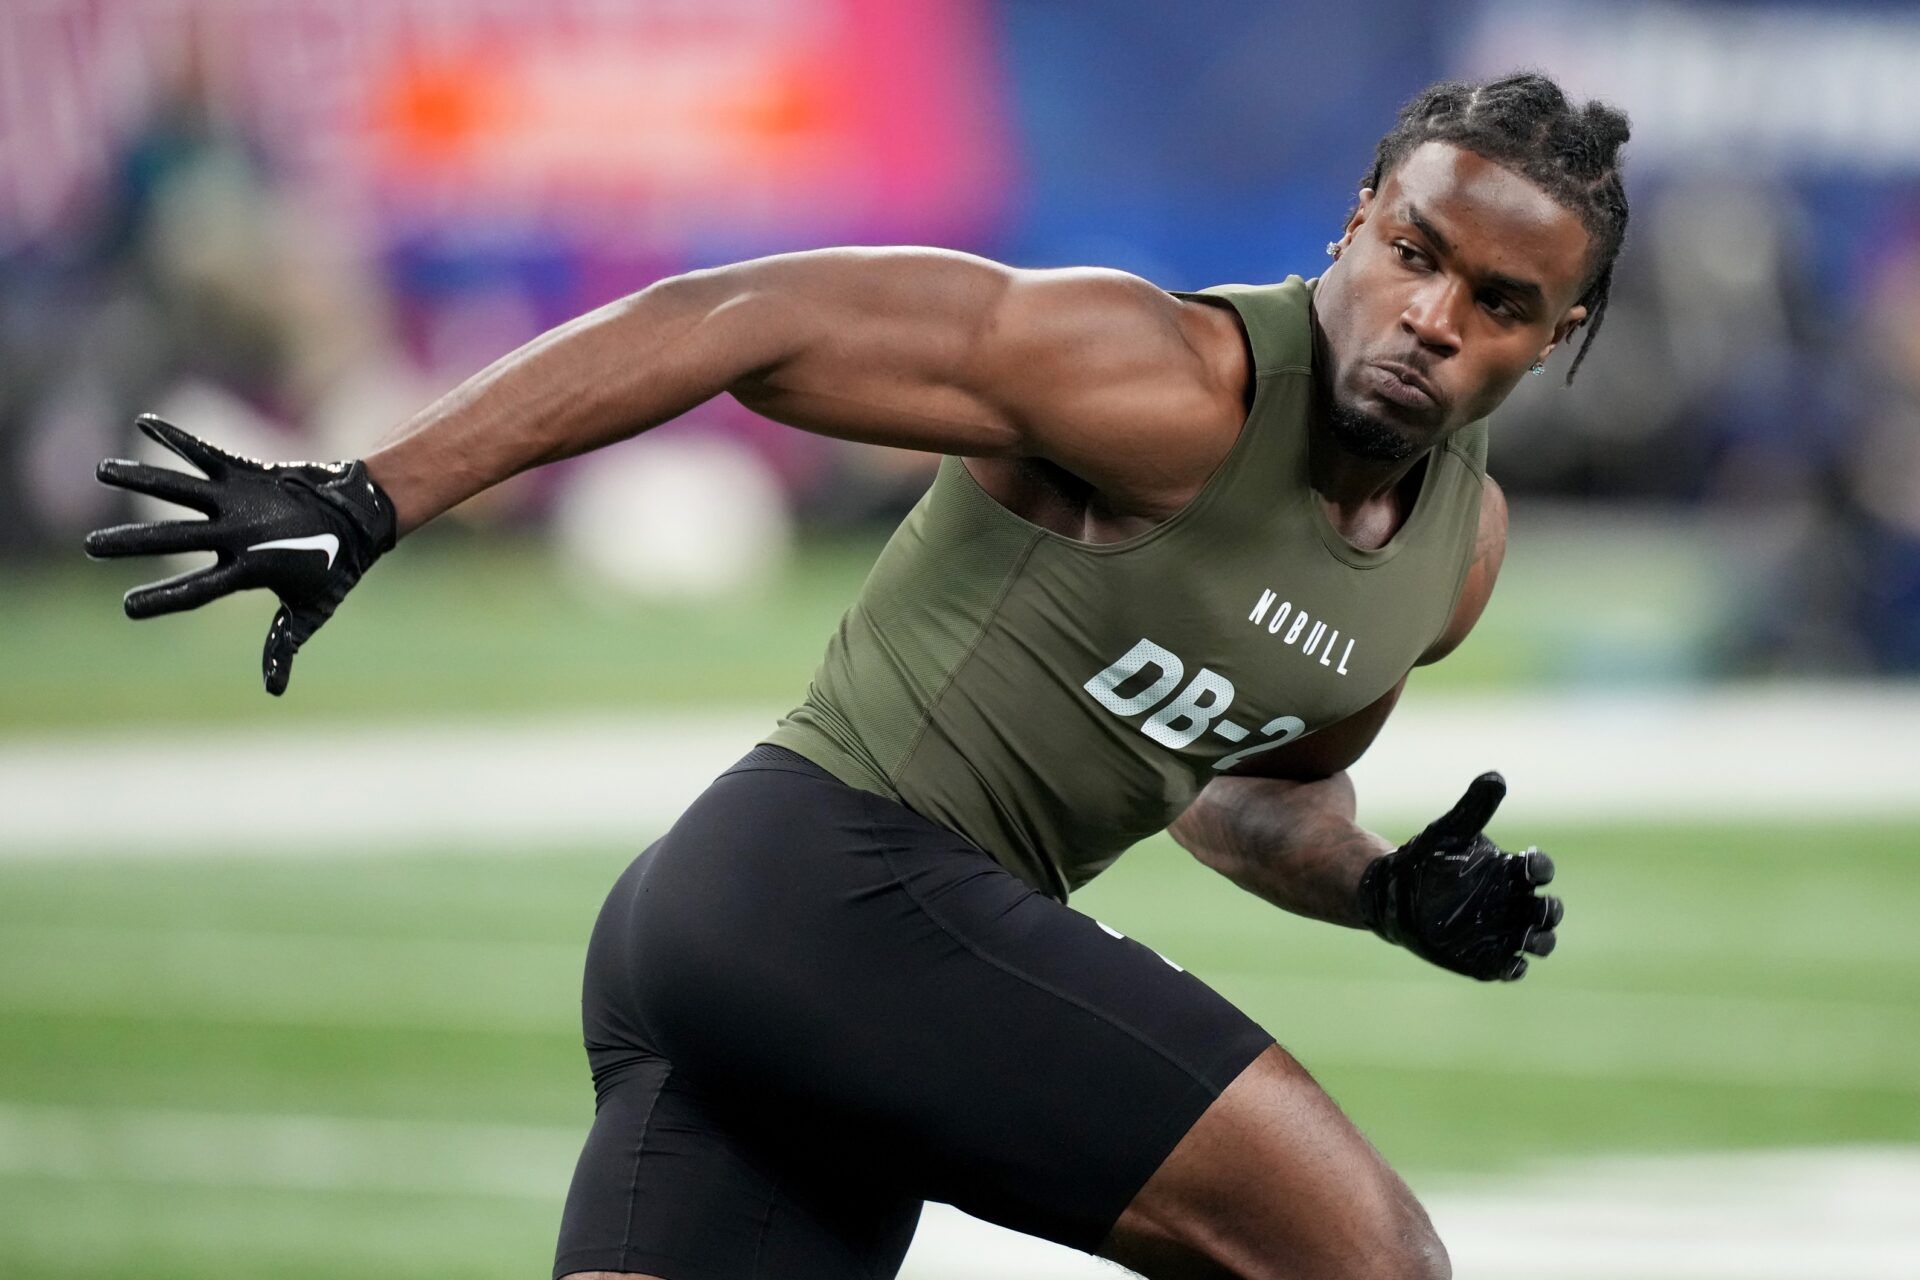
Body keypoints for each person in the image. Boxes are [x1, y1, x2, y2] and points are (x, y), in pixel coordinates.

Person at [85, 73, 1627, 1280]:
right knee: (1369, 1263)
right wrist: (373, 496)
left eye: (1496, 304)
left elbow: (1240, 786)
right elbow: (735, 320)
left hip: (794, 977)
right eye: (1415, 254)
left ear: (1559, 339)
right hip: (824, 887)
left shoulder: (1454, 559)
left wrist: (1377, 886)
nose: (1432, 317)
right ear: (1359, 219)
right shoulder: (1160, 378)